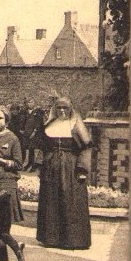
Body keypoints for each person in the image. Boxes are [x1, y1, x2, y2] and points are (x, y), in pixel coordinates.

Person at [37, 97, 93, 250]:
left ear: (70, 109)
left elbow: (86, 148)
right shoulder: (49, 125)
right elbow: (42, 147)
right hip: (50, 168)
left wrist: (82, 169)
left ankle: (73, 240)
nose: (62, 111)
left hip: (71, 169)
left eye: (65, 108)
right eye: (59, 108)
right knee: (51, 200)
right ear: (55, 109)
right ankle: (50, 239)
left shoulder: (76, 125)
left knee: (71, 201)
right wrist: (39, 165)